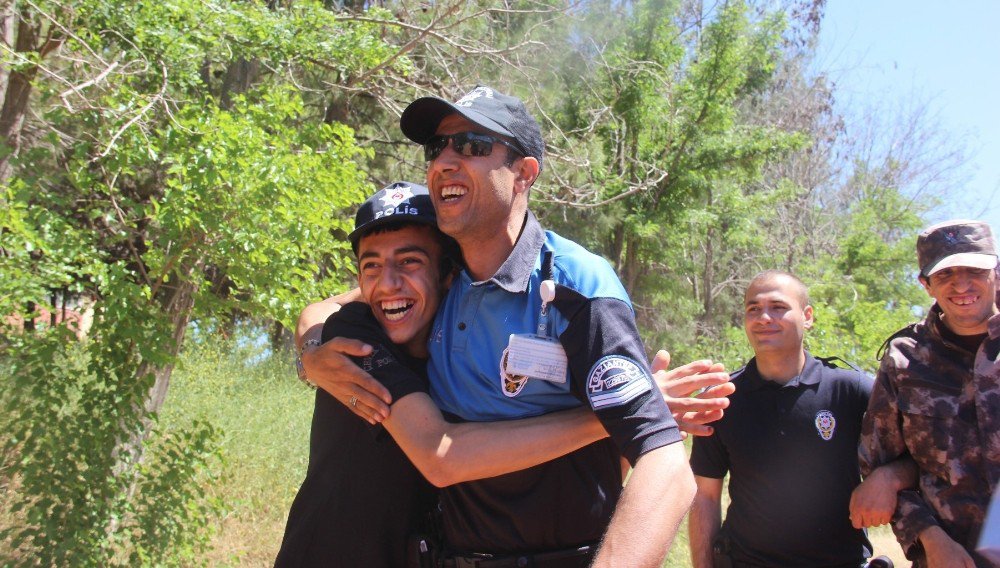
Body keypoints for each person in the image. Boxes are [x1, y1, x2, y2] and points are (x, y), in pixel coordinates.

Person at [298, 85, 730, 567]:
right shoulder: (442, 272)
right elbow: (338, 305)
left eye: (472, 145)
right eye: (436, 148)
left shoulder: (575, 286)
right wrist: (313, 348)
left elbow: (665, 464)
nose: (444, 162)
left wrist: (630, 414)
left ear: (524, 173)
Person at [275, 182, 614, 567]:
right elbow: (440, 456)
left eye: (409, 261)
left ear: (448, 274)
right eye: (371, 265)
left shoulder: (460, 341)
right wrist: (613, 417)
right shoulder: (358, 336)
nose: (387, 283)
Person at [689, 270, 904, 567]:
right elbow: (706, 497)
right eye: (754, 308)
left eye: (778, 307)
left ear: (808, 316)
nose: (764, 317)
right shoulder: (723, 399)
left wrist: (886, 478)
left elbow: (913, 457)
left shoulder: (850, 389)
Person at [860, 219, 1000, 568]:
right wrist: (930, 538)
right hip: (949, 557)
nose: (962, 284)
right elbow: (879, 463)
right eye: (945, 275)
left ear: (996, 272)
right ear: (926, 284)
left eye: (974, 270)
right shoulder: (904, 358)